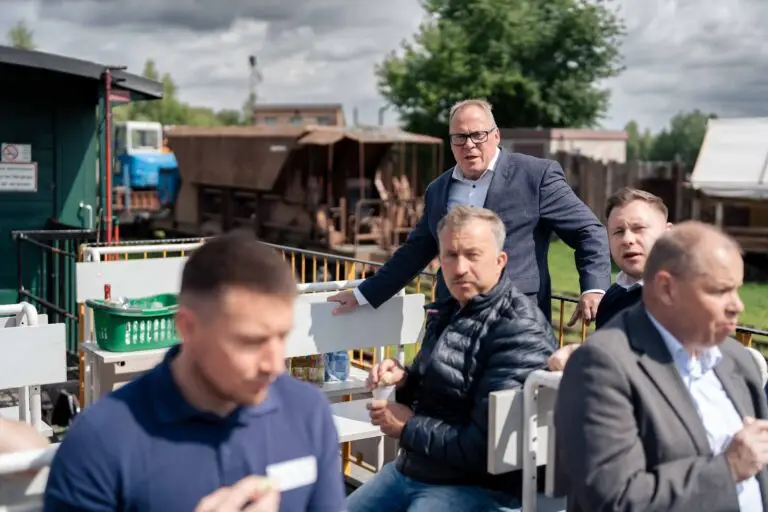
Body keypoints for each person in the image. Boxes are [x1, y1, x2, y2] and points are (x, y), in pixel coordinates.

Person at [43, 232, 346, 512]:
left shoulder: (309, 413)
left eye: (282, 336)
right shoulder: (99, 443)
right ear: (188, 328)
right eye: (250, 342)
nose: (275, 366)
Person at [345, 205, 555, 512]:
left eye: (472, 255)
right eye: (450, 255)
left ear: (500, 261)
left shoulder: (519, 329)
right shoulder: (449, 308)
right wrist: (404, 380)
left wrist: (408, 427)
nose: (459, 268)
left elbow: (488, 447)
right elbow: (441, 390)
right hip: (416, 470)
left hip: (478, 488)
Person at [328, 99, 610, 325]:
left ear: (496, 135)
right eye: (460, 137)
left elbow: (588, 230)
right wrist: (364, 294)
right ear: (451, 142)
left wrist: (594, 288)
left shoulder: (536, 176)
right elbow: (415, 252)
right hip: (452, 318)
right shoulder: (438, 189)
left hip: (515, 319)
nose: (469, 145)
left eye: (478, 135)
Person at [554, 221, 768, 511]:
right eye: (720, 291)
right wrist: (728, 469)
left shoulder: (737, 358)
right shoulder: (601, 366)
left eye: (737, 290)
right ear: (667, 288)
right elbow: (615, 500)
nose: (737, 306)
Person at [548, 187, 671, 370]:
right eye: (618, 232)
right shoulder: (612, 298)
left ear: (668, 233)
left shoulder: (683, 297)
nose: (627, 240)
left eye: (638, 228)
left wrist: (582, 354)